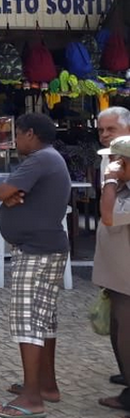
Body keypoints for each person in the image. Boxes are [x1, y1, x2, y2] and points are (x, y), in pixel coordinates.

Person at [0, 113, 71, 418]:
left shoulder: (39, 159)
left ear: (31, 134)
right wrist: (11, 193)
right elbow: (11, 193)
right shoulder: (52, 159)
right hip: (48, 247)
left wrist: (6, 191)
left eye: (18, 134)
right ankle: (45, 384)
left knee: (27, 321)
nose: (15, 140)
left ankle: (32, 397)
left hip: (35, 251)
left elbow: (1, 191)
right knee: (44, 319)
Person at [95, 135, 130, 412]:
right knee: (119, 330)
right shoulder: (123, 187)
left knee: (126, 335)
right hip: (118, 278)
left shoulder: (117, 187)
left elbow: (108, 216)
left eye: (115, 160)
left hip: (127, 280)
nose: (110, 164)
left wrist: (109, 179)